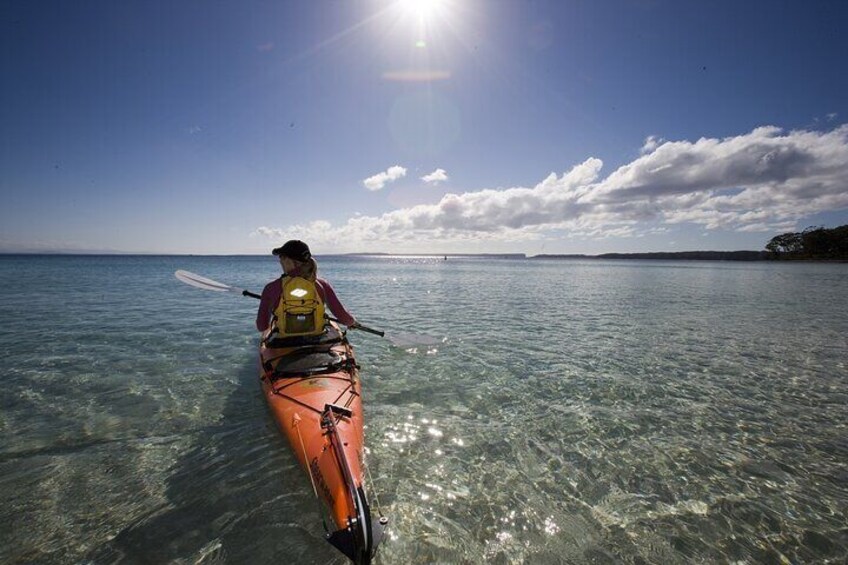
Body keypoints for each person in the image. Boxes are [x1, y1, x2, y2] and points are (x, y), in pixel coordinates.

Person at [256, 240, 358, 334]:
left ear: (289, 261)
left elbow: (262, 326)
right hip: (317, 339)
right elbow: (344, 318)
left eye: (281, 257)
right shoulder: (322, 285)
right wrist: (352, 322)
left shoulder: (271, 288)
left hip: (284, 342)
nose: (280, 261)